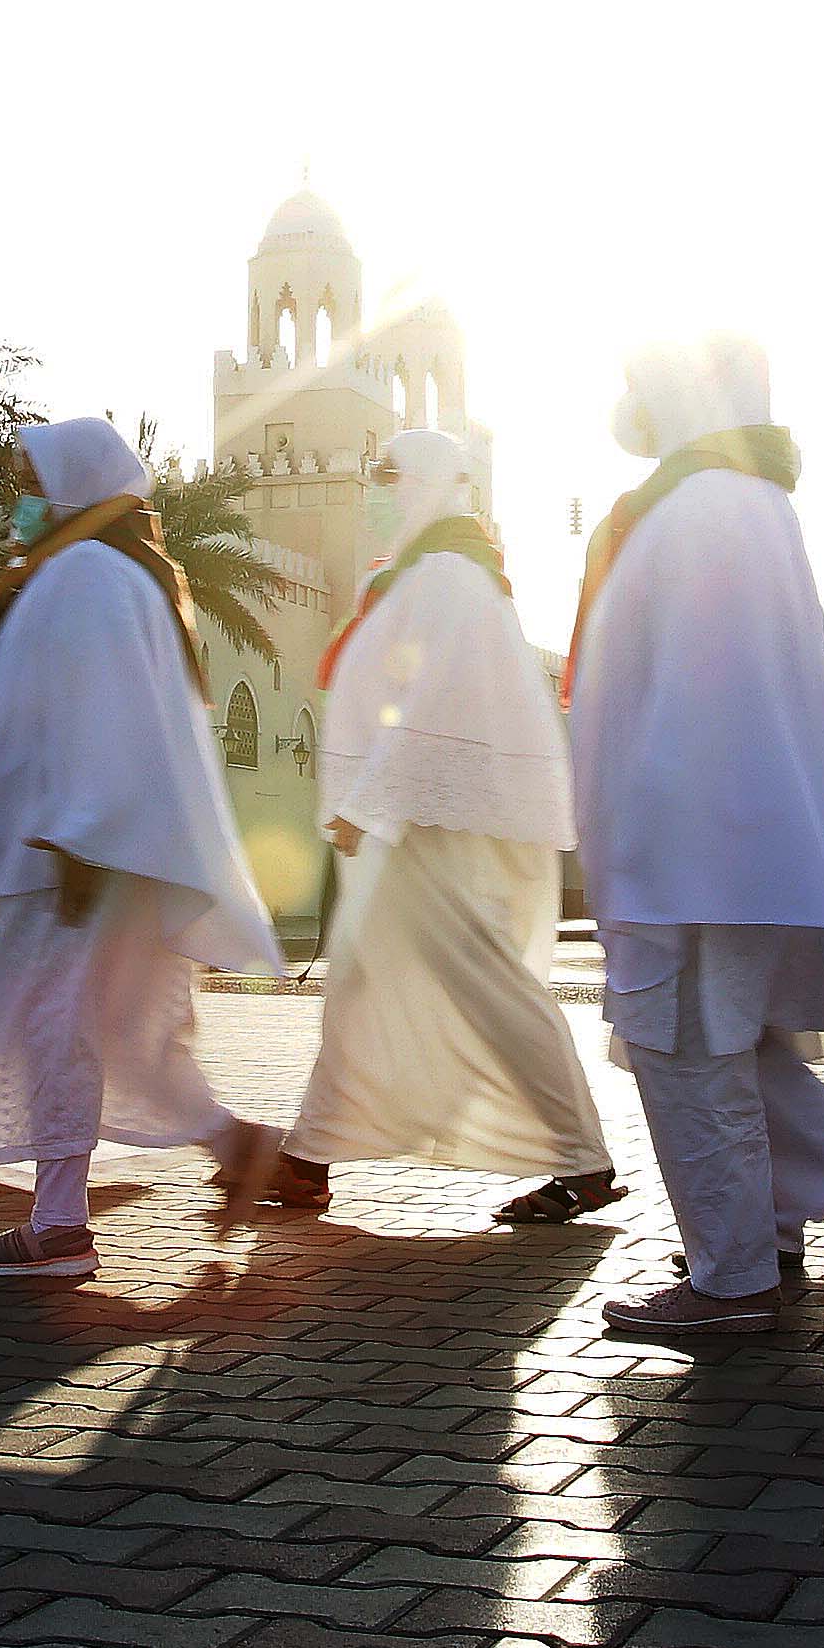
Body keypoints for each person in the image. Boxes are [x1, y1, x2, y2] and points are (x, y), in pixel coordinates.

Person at [562, 335, 824, 1339]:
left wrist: (632, 836)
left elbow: (660, 693)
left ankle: (733, 1281)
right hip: (750, 839)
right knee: (730, 1041)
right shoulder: (756, 502)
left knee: (683, 1046)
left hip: (690, 845)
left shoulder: (685, 513)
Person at [0, 418, 277, 1282]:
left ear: (75, 483)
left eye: (33, 480)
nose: (19, 499)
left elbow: (98, 716)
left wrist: (79, 834)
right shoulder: (109, 572)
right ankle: (236, 1145)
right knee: (117, 1030)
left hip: (70, 853)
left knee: (55, 1025)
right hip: (88, 846)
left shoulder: (84, 575)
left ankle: (61, 1226)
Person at [273, 424, 611, 1219]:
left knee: (483, 981)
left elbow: (439, 704)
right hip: (405, 825)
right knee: (360, 983)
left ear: (425, 481)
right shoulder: (420, 575)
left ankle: (584, 1157)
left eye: (388, 476)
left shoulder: (453, 579)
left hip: (434, 826)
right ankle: (308, 1157)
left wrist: (369, 800)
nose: (375, 492)